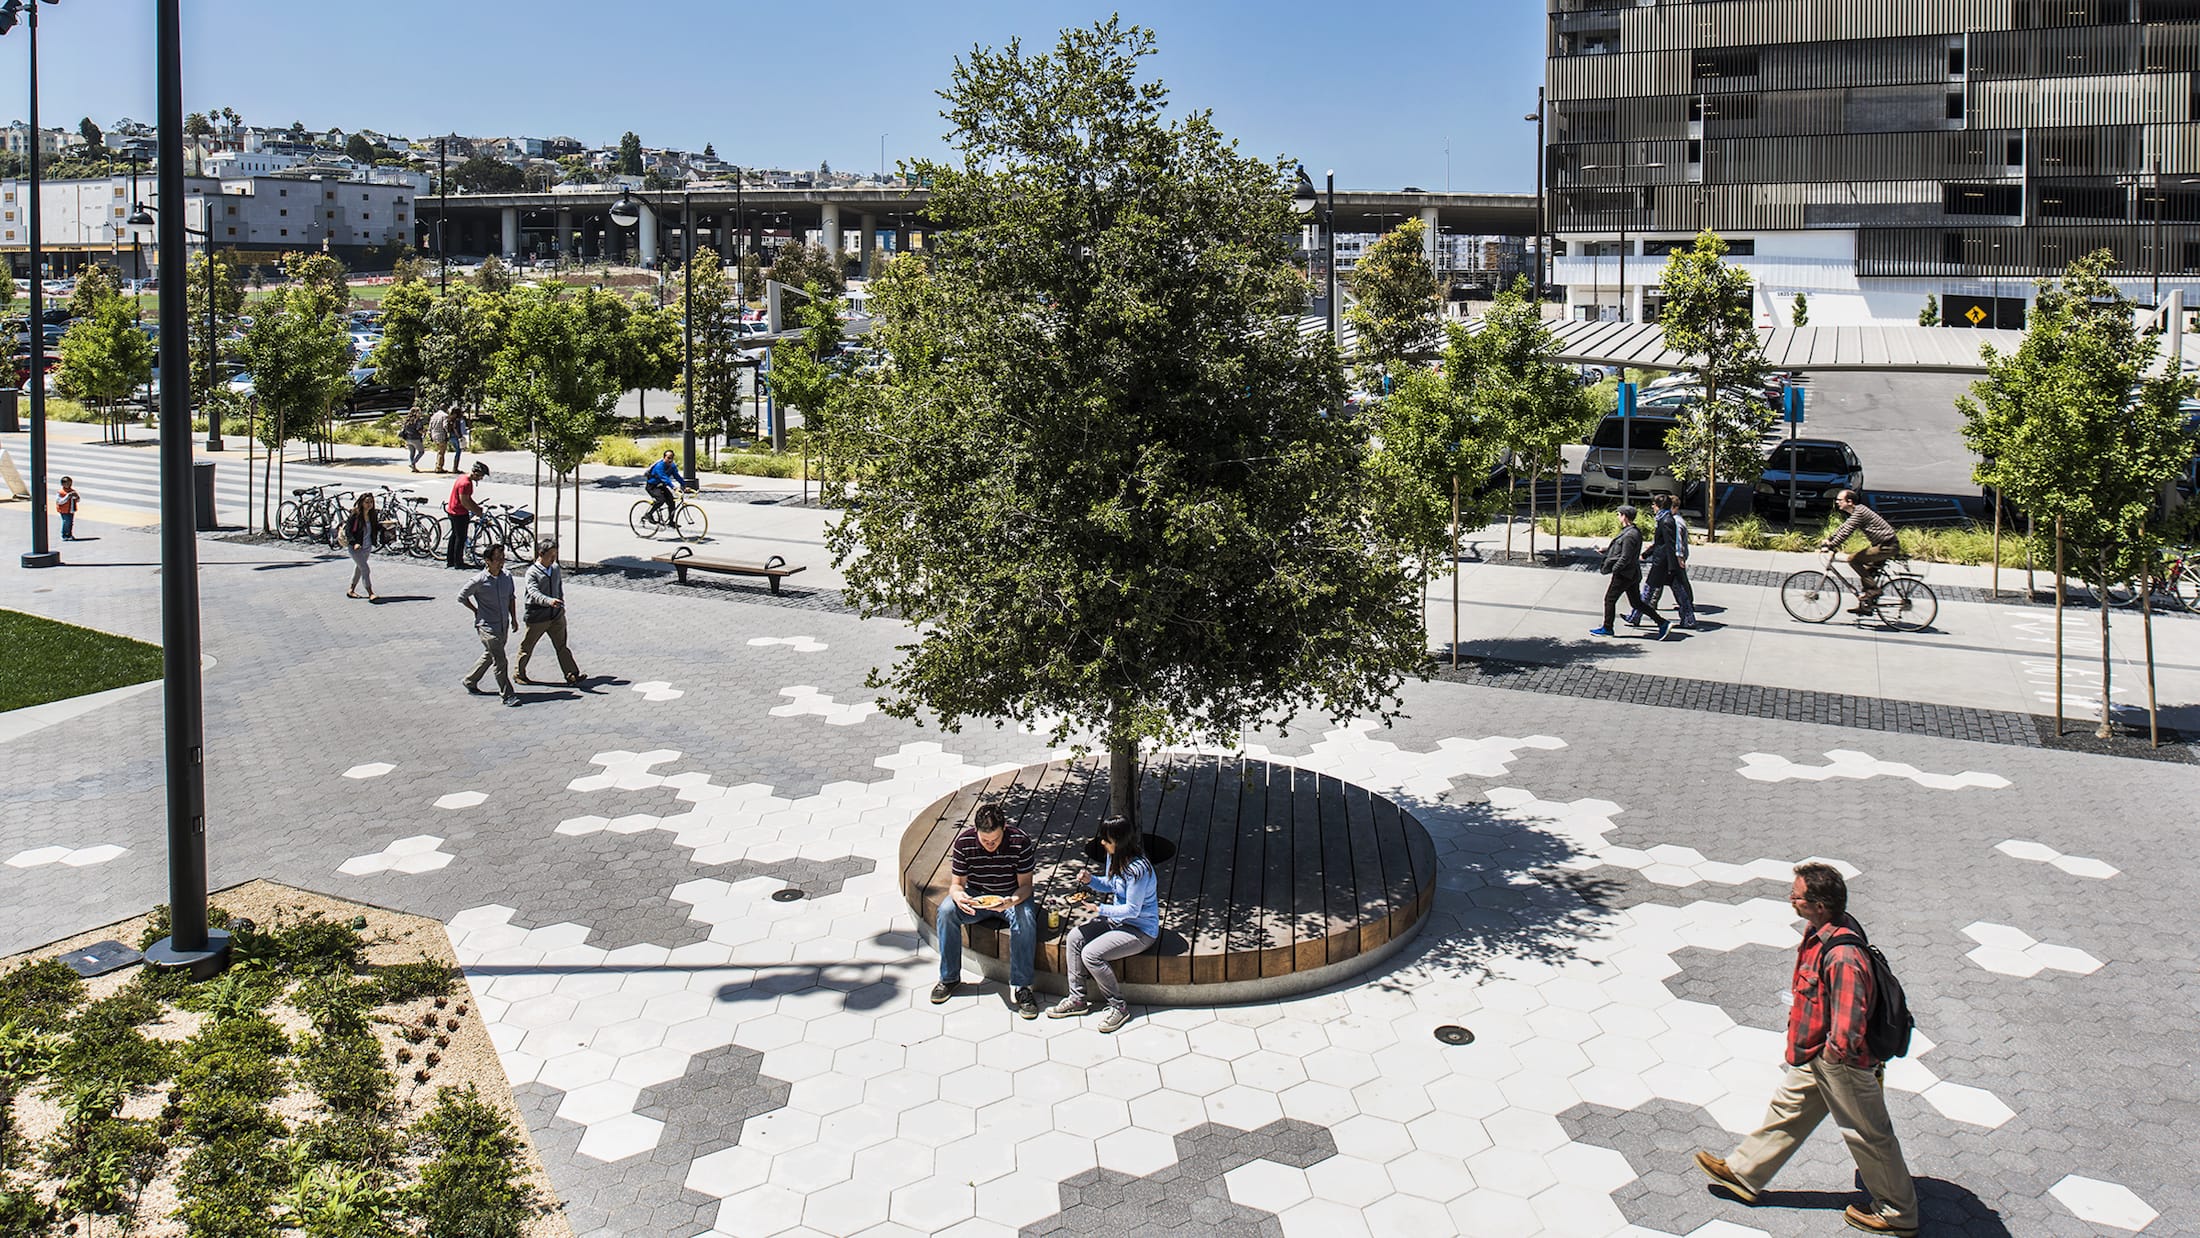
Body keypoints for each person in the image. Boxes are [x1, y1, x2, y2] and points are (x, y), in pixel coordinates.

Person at [1694, 864, 1918, 1236]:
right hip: (1816, 1051)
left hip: (1840, 1061)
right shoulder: (1821, 929)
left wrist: (1832, 1055)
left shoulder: (1843, 956)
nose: (1791, 899)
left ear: (1819, 905)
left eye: (1796, 895)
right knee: (1789, 1109)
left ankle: (1897, 1214)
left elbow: (1848, 1024)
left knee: (1869, 1136)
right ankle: (1744, 1174)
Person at [1048, 816, 1159, 1034]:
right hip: (1116, 921)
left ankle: (1119, 1006)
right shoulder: (1114, 858)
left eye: (1106, 839)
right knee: (1074, 938)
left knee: (1091, 954)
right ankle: (1077, 999)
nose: (1102, 843)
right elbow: (1112, 885)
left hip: (1140, 930)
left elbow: (1132, 909)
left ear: (1118, 841)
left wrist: (1099, 909)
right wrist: (1092, 880)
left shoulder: (1138, 870)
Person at [930, 804, 1042, 1019]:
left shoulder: (1020, 841)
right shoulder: (964, 843)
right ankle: (949, 977)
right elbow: (956, 884)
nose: (990, 845)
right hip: (977, 895)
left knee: (1026, 919)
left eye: (995, 840)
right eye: (985, 841)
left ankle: (1022, 986)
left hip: (1011, 894)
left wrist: (1011, 900)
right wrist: (958, 896)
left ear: (1005, 829)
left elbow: (1027, 885)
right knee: (946, 911)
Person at [1591, 505, 1668, 639]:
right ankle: (1662, 623)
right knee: (1636, 603)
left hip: (1625, 574)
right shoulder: (1631, 531)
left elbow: (1626, 557)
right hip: (1632, 574)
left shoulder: (1630, 535)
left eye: (1619, 514)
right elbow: (1622, 550)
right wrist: (1606, 550)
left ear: (1624, 516)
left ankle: (1607, 627)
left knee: (1609, 599)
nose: (1618, 517)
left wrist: (1615, 569)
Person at [458, 543, 520, 706]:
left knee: (490, 654)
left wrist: (513, 618)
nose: (501, 562)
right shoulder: (478, 580)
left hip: (502, 624)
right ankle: (507, 695)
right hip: (486, 626)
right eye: (497, 559)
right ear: (487, 561)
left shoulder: (507, 576)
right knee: (500, 659)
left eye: (503, 558)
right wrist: (475, 610)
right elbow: (462, 596)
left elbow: (511, 598)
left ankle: (470, 680)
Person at [517, 538, 584, 686]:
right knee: (528, 646)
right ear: (541, 553)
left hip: (556, 614)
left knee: (561, 646)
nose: (553, 557)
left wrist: (560, 603)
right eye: (551, 554)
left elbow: (559, 587)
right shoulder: (532, 572)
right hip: (538, 615)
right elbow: (533, 592)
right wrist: (549, 601)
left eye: (555, 554)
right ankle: (519, 673)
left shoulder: (555, 568)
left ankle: (571, 673)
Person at [1824, 490, 1901, 614]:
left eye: (1840, 500)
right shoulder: (1857, 511)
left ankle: (1874, 591)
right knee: (1867, 572)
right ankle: (1866, 606)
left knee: (1853, 559)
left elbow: (1847, 531)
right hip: (1884, 545)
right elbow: (1844, 527)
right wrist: (1830, 538)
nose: (1837, 502)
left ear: (1850, 501)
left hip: (1887, 546)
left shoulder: (1859, 513)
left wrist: (1832, 545)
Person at [1630, 493, 1698, 628]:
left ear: (1659, 506)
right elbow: (1660, 543)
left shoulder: (1667, 521)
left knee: (1649, 590)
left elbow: (1669, 544)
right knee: (1677, 592)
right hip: (1665, 562)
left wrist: (1672, 566)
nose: (1653, 507)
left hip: (1663, 563)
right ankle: (1688, 619)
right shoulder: (1664, 519)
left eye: (1654, 504)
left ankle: (1635, 616)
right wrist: (1646, 554)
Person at [446, 462, 486, 570]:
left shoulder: (462, 478)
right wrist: (477, 511)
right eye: (481, 476)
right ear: (475, 473)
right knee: (461, 538)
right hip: (459, 513)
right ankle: (458, 562)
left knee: (454, 536)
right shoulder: (466, 483)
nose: (481, 478)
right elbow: (464, 502)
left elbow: (468, 499)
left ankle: (450, 560)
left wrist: (476, 507)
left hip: (452, 510)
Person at [340, 491, 380, 600]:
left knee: (359, 568)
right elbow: (349, 531)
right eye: (367, 502)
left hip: (367, 546)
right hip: (356, 547)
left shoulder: (372, 515)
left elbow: (375, 528)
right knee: (365, 569)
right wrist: (354, 543)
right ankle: (370, 593)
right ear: (361, 503)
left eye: (371, 502)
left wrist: (385, 526)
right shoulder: (356, 515)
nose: (369, 504)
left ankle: (351, 590)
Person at [643, 449, 682, 525]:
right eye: (668, 458)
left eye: (672, 458)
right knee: (661, 500)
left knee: (671, 501)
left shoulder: (672, 466)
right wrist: (673, 487)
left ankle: (671, 521)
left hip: (661, 486)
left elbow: (677, 476)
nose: (670, 460)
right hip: (652, 486)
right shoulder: (659, 466)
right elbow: (664, 478)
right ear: (664, 457)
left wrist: (684, 485)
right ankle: (649, 514)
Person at [55, 476, 80, 541]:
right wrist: (68, 496)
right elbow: (59, 501)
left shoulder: (73, 491)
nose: (69, 485)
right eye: (67, 483)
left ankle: (69, 534)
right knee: (66, 522)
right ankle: (64, 535)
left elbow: (77, 500)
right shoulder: (60, 492)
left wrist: (76, 497)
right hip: (64, 510)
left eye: (70, 483)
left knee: (70, 522)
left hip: (71, 509)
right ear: (62, 484)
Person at [428, 408, 451, 473]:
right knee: (441, 452)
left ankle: (437, 465)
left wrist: (430, 435)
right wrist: (448, 433)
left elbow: (430, 427)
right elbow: (445, 426)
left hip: (434, 435)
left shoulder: (434, 415)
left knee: (439, 451)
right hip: (441, 436)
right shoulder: (445, 416)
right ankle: (439, 467)